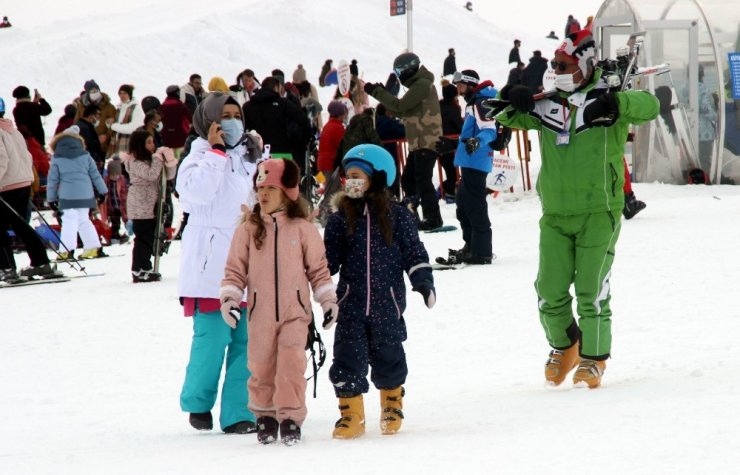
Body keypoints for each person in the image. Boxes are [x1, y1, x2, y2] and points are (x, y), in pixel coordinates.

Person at [496, 30, 659, 388]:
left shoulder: (609, 97)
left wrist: (619, 105)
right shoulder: (548, 102)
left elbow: (651, 106)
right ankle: (564, 345)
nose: (556, 70)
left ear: (584, 64)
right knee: (548, 290)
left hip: (598, 210)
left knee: (590, 290)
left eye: (563, 65)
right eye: (554, 65)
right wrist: (512, 95)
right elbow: (499, 113)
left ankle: (594, 357)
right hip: (555, 213)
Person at [220, 158, 336, 445]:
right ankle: (265, 416)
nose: (263, 194)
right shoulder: (248, 229)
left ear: (287, 191)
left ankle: (290, 418)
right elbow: (234, 270)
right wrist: (230, 299)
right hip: (259, 314)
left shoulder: (302, 228)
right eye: (260, 188)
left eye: (271, 188)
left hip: (295, 312)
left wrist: (327, 301)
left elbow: (319, 271)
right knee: (260, 365)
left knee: (291, 362)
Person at [323, 143, 435, 439]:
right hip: (351, 304)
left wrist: (423, 281)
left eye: (358, 175)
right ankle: (351, 414)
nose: (352, 182)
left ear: (379, 178)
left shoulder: (397, 216)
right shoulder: (339, 219)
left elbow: (413, 252)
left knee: (389, 356)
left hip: (388, 305)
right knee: (347, 356)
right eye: (348, 176)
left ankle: (391, 403)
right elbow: (327, 262)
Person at [176, 92, 261, 434]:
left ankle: (240, 412)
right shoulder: (197, 157)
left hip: (245, 264)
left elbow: (259, 199)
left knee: (246, 343)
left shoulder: (247, 157)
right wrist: (215, 153)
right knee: (212, 342)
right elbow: (194, 195)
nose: (231, 120)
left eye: (235, 113)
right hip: (210, 268)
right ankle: (198, 402)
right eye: (223, 115)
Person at [363, 52, 444, 230]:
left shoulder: (422, 84)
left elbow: (400, 106)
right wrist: (383, 95)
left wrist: (378, 92)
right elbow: (402, 111)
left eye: (400, 71)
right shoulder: (419, 85)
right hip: (419, 143)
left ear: (409, 69)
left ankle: (433, 218)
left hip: (426, 141)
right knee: (408, 180)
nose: (399, 75)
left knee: (423, 181)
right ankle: (412, 216)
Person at [0, 106, 62, 282]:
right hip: (22, 182)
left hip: (6, 185)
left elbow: (1, 159)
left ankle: (6, 268)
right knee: (21, 225)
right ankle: (41, 262)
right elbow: (27, 157)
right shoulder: (14, 130)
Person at [445, 70, 498, 265]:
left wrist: (477, 141)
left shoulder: (481, 103)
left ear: (470, 84)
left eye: (460, 86)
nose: (458, 90)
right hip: (469, 161)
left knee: (475, 207)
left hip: (477, 162)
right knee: (463, 205)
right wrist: (451, 146)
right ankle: (472, 245)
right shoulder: (474, 103)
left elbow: (490, 131)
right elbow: (470, 134)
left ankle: (482, 251)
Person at [121, 130, 176, 282]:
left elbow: (166, 176)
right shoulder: (134, 162)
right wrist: (158, 157)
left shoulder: (149, 160)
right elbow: (152, 175)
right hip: (140, 204)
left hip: (151, 203)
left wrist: (169, 161)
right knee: (143, 238)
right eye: (149, 142)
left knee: (150, 237)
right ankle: (140, 269)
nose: (153, 145)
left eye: (153, 141)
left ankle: (145, 266)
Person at [46, 126, 108, 261]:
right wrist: (103, 192)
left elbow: (53, 180)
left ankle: (66, 251)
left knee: (69, 220)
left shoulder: (57, 157)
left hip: (67, 194)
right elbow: (95, 175)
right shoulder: (86, 155)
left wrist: (51, 199)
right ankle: (93, 247)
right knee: (83, 220)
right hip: (86, 193)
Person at [72, 80, 117, 154]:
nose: (95, 93)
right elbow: (76, 122)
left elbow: (114, 124)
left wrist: (106, 136)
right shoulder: (81, 106)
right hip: (84, 143)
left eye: (96, 90)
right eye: (92, 91)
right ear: (88, 93)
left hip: (102, 145)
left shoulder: (109, 107)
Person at [437, 83, 463, 201]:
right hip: (451, 144)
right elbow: (460, 126)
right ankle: (448, 192)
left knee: (450, 171)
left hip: (440, 143)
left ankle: (445, 190)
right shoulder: (453, 109)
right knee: (453, 173)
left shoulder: (438, 107)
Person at [111, 84, 144, 155]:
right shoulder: (119, 108)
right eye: (120, 93)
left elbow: (134, 128)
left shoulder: (136, 108)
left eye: (125, 93)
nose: (122, 96)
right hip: (118, 145)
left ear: (130, 94)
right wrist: (109, 123)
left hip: (131, 145)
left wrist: (114, 126)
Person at [317, 100, 347, 177]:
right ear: (340, 114)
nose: (345, 116)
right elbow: (342, 147)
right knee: (333, 188)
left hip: (321, 164)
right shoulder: (338, 128)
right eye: (344, 113)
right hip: (330, 165)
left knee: (330, 187)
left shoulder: (327, 126)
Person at [103, 156, 129, 243]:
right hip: (111, 207)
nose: (115, 177)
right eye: (112, 175)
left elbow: (124, 192)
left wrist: (125, 202)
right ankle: (114, 237)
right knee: (115, 223)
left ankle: (120, 235)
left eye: (117, 174)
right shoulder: (106, 181)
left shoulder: (121, 180)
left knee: (123, 220)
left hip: (120, 206)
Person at [159, 85, 191, 155]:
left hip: (166, 138)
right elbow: (189, 120)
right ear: (177, 93)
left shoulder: (162, 107)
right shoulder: (181, 106)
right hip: (181, 138)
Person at [75, 104, 105, 169]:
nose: (99, 117)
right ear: (91, 115)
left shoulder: (88, 126)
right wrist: (96, 160)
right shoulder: (83, 128)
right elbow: (86, 148)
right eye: (98, 114)